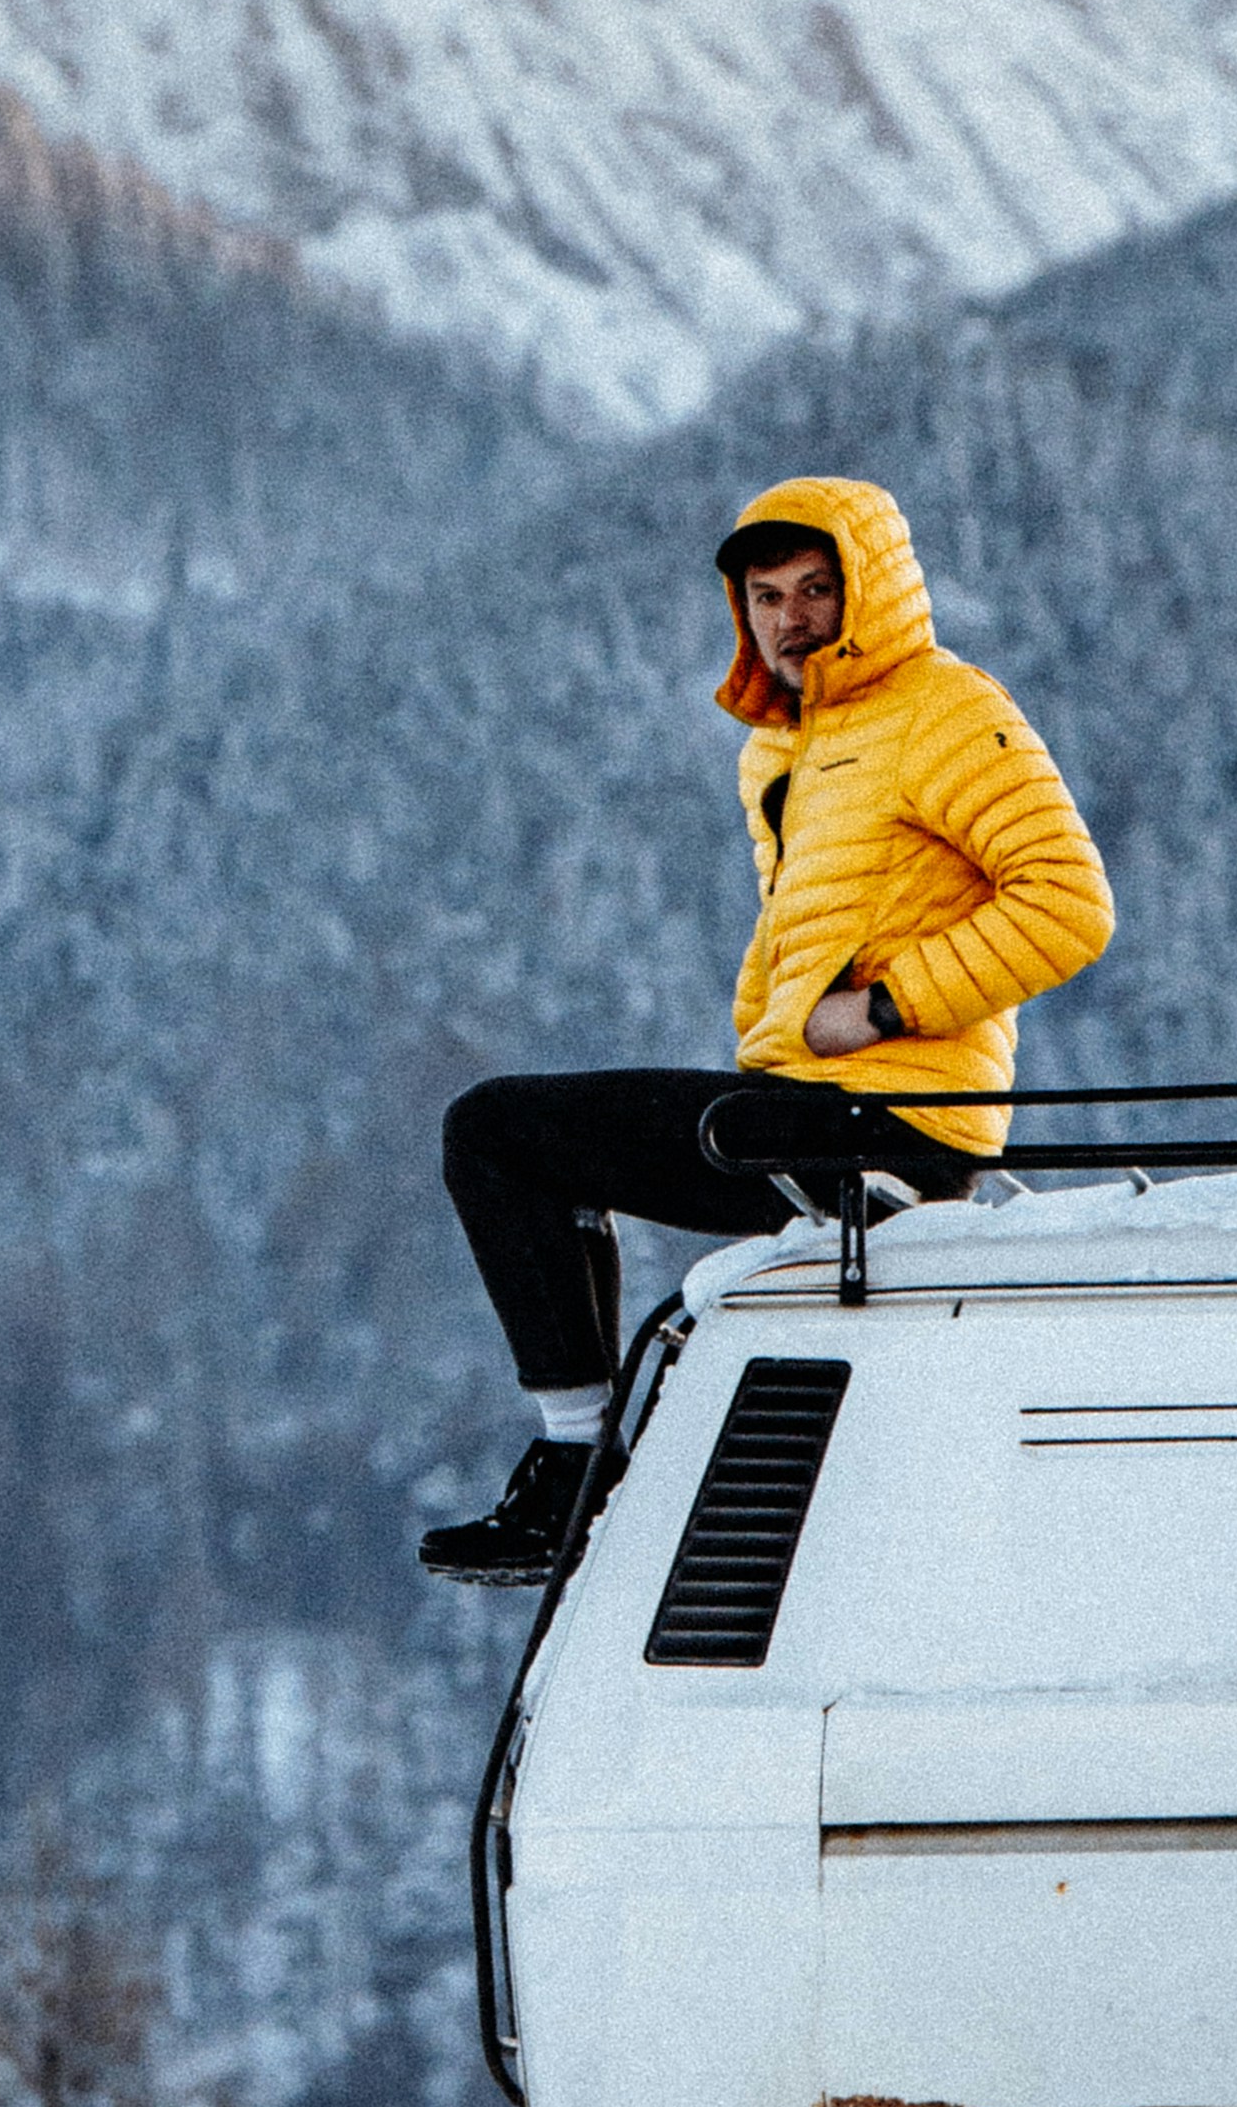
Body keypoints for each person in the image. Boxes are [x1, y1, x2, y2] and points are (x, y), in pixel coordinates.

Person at [423, 468, 1114, 1582]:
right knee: (521, 1151)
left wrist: (887, 1008)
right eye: (764, 597)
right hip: (809, 1109)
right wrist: (771, 1022)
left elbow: (1068, 905)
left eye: (814, 589)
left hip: (886, 1130)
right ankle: (577, 1468)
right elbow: (817, 926)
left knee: (496, 1132)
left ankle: (574, 1472)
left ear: (871, 590)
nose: (790, 619)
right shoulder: (785, 748)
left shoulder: (944, 709)